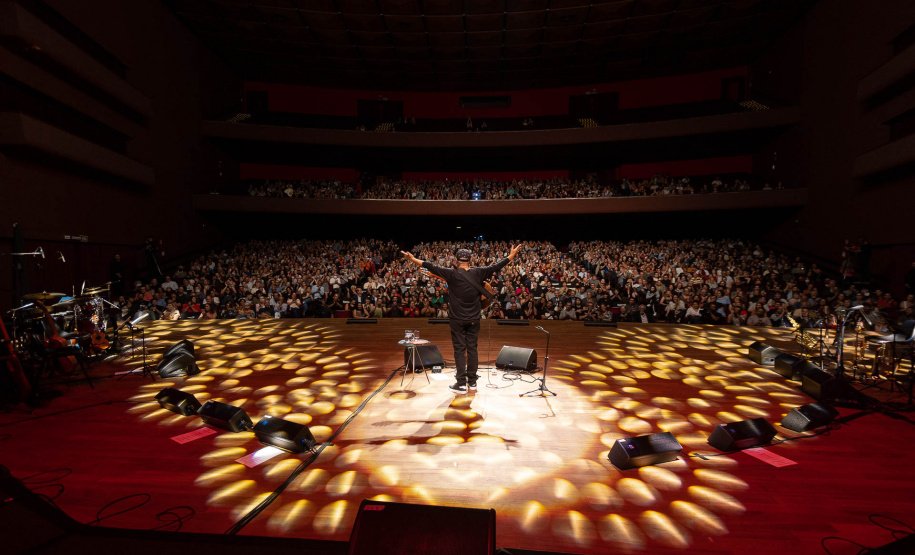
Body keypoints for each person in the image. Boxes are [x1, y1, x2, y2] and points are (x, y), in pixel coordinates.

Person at [402, 244, 522, 394]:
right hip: (474, 318)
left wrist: (412, 258)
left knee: (459, 350)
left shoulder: (450, 274)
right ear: (470, 259)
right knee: (472, 349)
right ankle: (472, 382)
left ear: (456, 260)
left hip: (457, 319)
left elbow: (429, 265)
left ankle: (461, 384)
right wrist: (511, 256)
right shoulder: (479, 272)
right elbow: (497, 266)